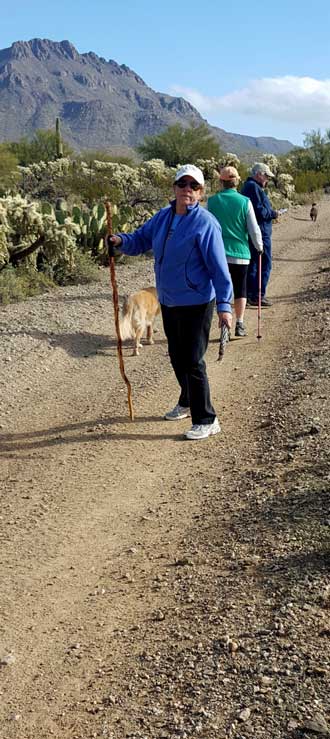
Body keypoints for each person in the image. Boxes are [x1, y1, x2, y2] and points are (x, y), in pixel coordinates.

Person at [108, 164, 233, 441]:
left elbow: (218, 268)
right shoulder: (163, 217)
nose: (187, 190)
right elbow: (140, 239)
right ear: (174, 188)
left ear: (201, 192)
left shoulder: (205, 223)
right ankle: (187, 401)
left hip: (198, 301)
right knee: (177, 356)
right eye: (182, 184)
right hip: (170, 300)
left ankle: (207, 418)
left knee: (192, 359)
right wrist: (120, 241)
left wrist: (225, 306)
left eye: (194, 186)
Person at [207, 166, 263, 337]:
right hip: (241, 254)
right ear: (237, 181)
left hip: (218, 254)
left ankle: (223, 320)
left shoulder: (212, 201)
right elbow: (253, 229)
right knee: (240, 289)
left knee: (219, 288)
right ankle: (239, 323)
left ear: (221, 182)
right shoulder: (244, 201)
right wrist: (259, 246)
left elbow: (207, 226)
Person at [241, 162, 279, 307]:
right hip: (260, 232)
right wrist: (273, 213)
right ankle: (257, 296)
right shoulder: (253, 187)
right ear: (259, 174)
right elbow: (260, 212)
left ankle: (252, 295)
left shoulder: (250, 186)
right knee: (264, 264)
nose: (267, 180)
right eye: (266, 176)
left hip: (256, 231)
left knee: (255, 264)